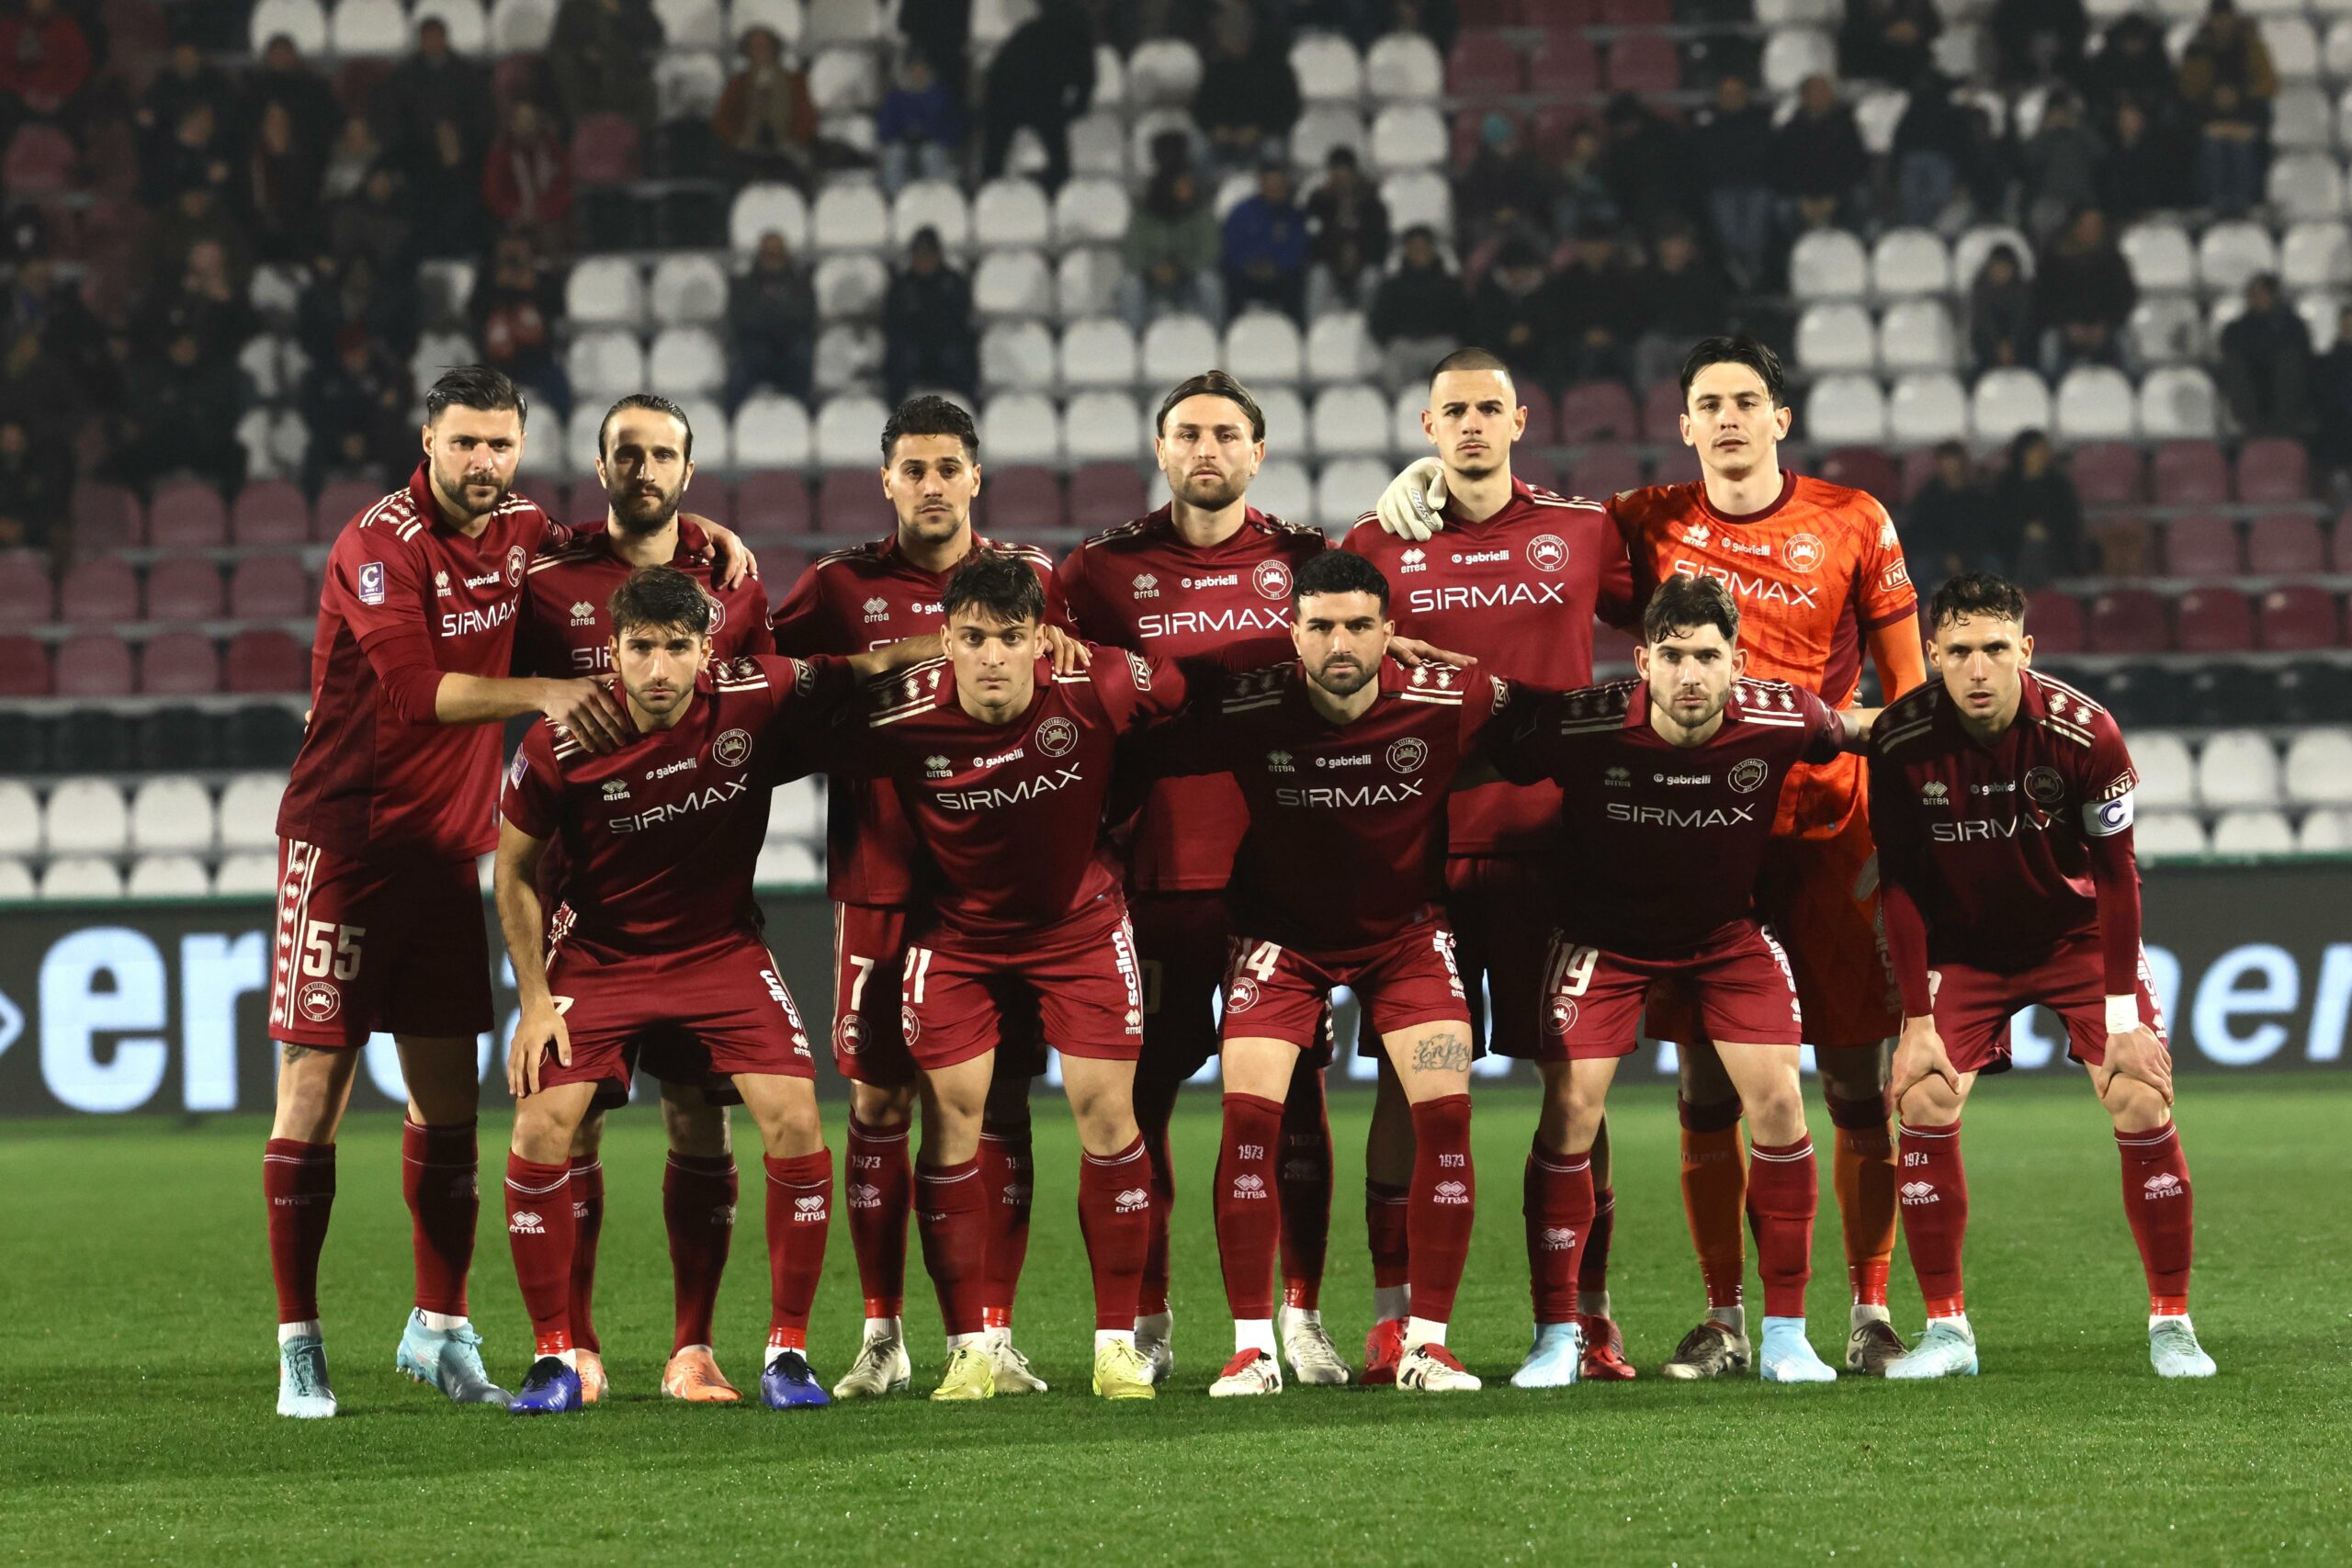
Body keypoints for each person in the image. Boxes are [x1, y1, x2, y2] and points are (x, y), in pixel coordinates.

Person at [1369, 335, 1928, 1379]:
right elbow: (1521, 516)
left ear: (1780, 417)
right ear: (1683, 425)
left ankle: (1868, 1309)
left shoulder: (1854, 518)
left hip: (1821, 831)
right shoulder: (1643, 519)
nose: (1728, 418)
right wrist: (1427, 477)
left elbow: (1904, 693)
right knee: (1704, 1085)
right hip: (1688, 835)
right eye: (1709, 403)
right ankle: (1722, 1319)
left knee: (1853, 1080)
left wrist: (1909, 828)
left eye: (1746, 401)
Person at [261, 366, 756, 1418]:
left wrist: (694, 531)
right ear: (428, 442)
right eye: (464, 442)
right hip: (344, 847)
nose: (482, 461)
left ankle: (439, 1329)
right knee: (312, 1094)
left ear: (521, 449)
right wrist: (547, 690)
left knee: (449, 1110)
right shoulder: (379, 543)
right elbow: (412, 691)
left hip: (452, 854)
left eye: (499, 444)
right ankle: (299, 1345)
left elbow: (612, 544)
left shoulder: (526, 530)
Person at [495, 567, 917, 1415]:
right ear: (613, 650)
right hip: (600, 952)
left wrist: (964, 642)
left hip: (718, 947)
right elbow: (512, 871)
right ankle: (555, 1358)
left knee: (796, 1117)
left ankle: (783, 1354)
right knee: (541, 1125)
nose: (658, 669)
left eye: (677, 648)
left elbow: (865, 666)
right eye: (641, 648)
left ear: (706, 651)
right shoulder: (561, 739)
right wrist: (534, 1000)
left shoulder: (755, 693)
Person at [1482, 573, 1877, 1384]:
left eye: (1706, 656)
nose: (1689, 674)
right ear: (1642, 662)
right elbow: (1488, 740)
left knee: (1780, 1102)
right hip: (1603, 941)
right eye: (1671, 656)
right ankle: (1556, 1333)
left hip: (1725, 938)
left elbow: (1861, 729)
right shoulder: (1587, 722)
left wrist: (1963, 712)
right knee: (1570, 1111)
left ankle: (1787, 1335)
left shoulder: (1782, 716)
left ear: (1737, 662)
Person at [813, 551, 1177, 1402]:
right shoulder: (901, 713)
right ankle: (969, 1348)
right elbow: (787, 724)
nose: (991, 656)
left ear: (1041, 639)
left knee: (1108, 1113)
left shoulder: (1100, 683)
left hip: (1080, 928)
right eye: (973, 638)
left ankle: (1116, 1347)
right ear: (946, 640)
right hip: (960, 938)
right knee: (951, 1122)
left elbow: (1190, 697)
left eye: (1011, 637)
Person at [1142, 550, 1508, 1396]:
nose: (1340, 643)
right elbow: (1141, 726)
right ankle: (1251, 1349)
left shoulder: (1451, 698)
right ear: (1294, 633)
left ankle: (1426, 1343)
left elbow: (1558, 730)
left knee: (1447, 1117)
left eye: (1358, 626)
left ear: (1390, 632)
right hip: (1281, 940)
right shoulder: (1249, 705)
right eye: (1321, 626)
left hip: (1406, 938)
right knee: (1248, 1120)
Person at [1343, 346, 1637, 1385]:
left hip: (1557, 850)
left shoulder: (1585, 529)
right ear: (1427, 428)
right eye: (1452, 411)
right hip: (1413, 854)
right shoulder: (1375, 541)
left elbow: (1682, 624)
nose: (1471, 425)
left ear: (1520, 421)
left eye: (1488, 409)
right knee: (1406, 1086)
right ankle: (1392, 1321)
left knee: (1577, 1086)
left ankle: (1586, 1318)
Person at [766, 396, 1064, 1399]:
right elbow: (765, 680)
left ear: (977, 476)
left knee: (1002, 1101)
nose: (932, 485)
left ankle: (992, 1333)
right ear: (885, 480)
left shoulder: (1034, 580)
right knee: (882, 1099)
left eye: (948, 468)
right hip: (885, 884)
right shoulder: (837, 586)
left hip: (1004, 893)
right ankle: (882, 1333)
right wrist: (873, 666)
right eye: (914, 469)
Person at [1055, 372, 1340, 1387]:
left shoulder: (1308, 561)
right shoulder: (1097, 571)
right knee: (1142, 1101)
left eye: (1226, 433)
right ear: (1161, 449)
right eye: (1187, 433)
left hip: (1279, 880)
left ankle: (1300, 1315)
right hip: (1152, 877)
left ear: (1258, 451)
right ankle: (1148, 1312)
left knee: (1294, 1102)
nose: (1206, 449)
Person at [1868, 572, 2214, 1381]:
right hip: (1964, 948)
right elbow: (1899, 883)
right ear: (1933, 654)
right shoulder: (1899, 738)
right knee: (1922, 1096)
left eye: (1995, 648)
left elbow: (2117, 873)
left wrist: (2122, 1018)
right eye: (1959, 650)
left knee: (2140, 1094)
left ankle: (2173, 1322)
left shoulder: (2086, 733)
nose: (1977, 668)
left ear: (2025, 649)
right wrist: (1915, 1021)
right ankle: (1947, 1331)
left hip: (2076, 939)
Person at [508, 396, 775, 1404]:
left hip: (695, 896)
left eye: (664, 454)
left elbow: (758, 704)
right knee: (569, 1120)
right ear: (601, 464)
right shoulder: (546, 576)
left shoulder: (731, 581)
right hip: (579, 895)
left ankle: (692, 1349)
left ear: (688, 472)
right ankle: (572, 1347)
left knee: (698, 1113)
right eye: (629, 452)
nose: (646, 469)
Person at [978, 0, 1094, 190]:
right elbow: (1086, 81)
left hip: (1025, 100)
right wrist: (1072, 111)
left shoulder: (1030, 32)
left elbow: (1085, 82)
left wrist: (1071, 111)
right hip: (1022, 99)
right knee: (1058, 164)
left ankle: (994, 192)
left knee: (994, 162)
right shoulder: (1073, 36)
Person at [1120, 142, 1225, 328]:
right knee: (1130, 284)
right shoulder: (1143, 213)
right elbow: (1132, 253)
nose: (1188, 188)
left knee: (1210, 282)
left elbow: (1210, 251)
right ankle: (1133, 338)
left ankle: (1213, 335)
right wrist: (1153, 270)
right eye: (1183, 184)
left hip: (1188, 279)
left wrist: (1182, 268)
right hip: (1152, 281)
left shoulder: (1201, 211)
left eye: (1190, 183)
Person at [713, 25, 817, 188]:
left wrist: (794, 140)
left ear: (774, 48)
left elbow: (808, 117)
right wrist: (737, 140)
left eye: (765, 46)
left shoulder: (795, 81)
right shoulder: (738, 83)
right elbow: (721, 118)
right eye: (754, 47)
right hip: (747, 151)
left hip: (786, 150)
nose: (760, 51)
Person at [881, 227, 977, 402]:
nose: (924, 260)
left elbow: (961, 321)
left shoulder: (954, 283)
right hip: (914, 348)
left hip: (945, 347)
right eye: (919, 255)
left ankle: (966, 407)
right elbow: (893, 323)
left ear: (938, 255)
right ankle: (894, 409)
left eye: (928, 254)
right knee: (900, 357)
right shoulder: (902, 286)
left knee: (961, 357)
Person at [1368, 225, 1466, 391]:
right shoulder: (1393, 285)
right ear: (1406, 251)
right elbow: (1379, 322)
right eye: (1414, 247)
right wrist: (1393, 340)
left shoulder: (1450, 284)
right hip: (1405, 344)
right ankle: (1399, 405)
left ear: (1432, 249)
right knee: (1390, 368)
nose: (1419, 252)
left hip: (1439, 343)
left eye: (1424, 247)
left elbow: (1463, 319)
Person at [726, 229, 817, 407]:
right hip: (755, 348)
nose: (773, 257)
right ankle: (733, 417)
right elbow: (743, 320)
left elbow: (804, 316)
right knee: (739, 371)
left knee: (802, 355)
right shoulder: (744, 285)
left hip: (790, 347)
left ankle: (802, 413)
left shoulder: (800, 283)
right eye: (768, 252)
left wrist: (768, 312)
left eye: (777, 252)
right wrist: (777, 314)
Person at [2218, 273, 2313, 438]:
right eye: (2253, 293)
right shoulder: (2235, 329)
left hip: (2285, 399)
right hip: (2251, 396)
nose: (2257, 298)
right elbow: (2233, 358)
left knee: (2288, 363)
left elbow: (2302, 361)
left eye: (2262, 292)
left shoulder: (2293, 326)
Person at [1990, 431, 2087, 586]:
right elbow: (1999, 518)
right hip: (2013, 545)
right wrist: (2024, 529)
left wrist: (2046, 529)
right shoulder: (2007, 483)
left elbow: (2068, 520)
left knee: (2037, 547)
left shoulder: (2059, 484)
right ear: (2024, 453)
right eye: (2038, 450)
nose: (2044, 455)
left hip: (2054, 545)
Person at [1221, 162, 1312, 323]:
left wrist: (1276, 267)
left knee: (1295, 281)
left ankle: (1296, 332)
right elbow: (1230, 246)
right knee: (1232, 280)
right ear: (1261, 185)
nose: (1274, 188)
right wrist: (1250, 265)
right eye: (1269, 183)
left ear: (1285, 185)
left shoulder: (1294, 215)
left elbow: (1299, 249)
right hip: (1246, 273)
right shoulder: (1241, 212)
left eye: (1278, 183)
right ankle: (1231, 332)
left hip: (1280, 274)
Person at [875, 52, 962, 194]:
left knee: (931, 155)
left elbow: (953, 128)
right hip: (902, 143)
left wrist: (929, 133)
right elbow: (884, 130)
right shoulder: (896, 97)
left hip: (932, 143)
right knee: (895, 155)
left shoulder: (940, 96)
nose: (918, 73)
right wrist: (903, 134)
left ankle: (937, 195)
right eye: (914, 69)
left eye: (922, 69)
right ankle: (896, 198)